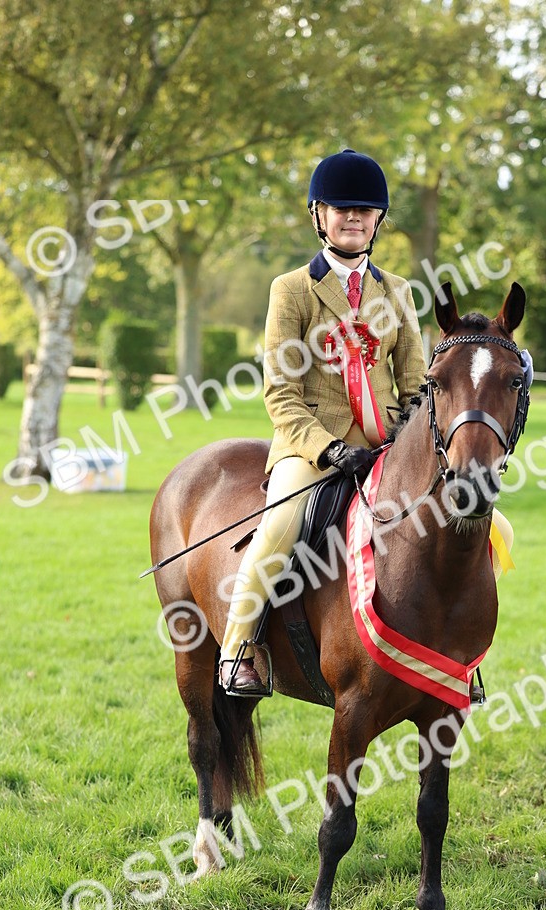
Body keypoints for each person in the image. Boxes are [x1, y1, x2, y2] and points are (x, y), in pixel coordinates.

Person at [219, 148, 513, 695]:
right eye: (341, 208)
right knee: (278, 533)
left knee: (493, 529)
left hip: (387, 449)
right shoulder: (291, 291)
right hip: (312, 451)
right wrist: (328, 450)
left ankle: (461, 654)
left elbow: (415, 386)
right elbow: (280, 392)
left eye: (364, 210)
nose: (353, 218)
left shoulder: (397, 292)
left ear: (377, 220)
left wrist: (411, 445)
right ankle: (241, 649)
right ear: (319, 215)